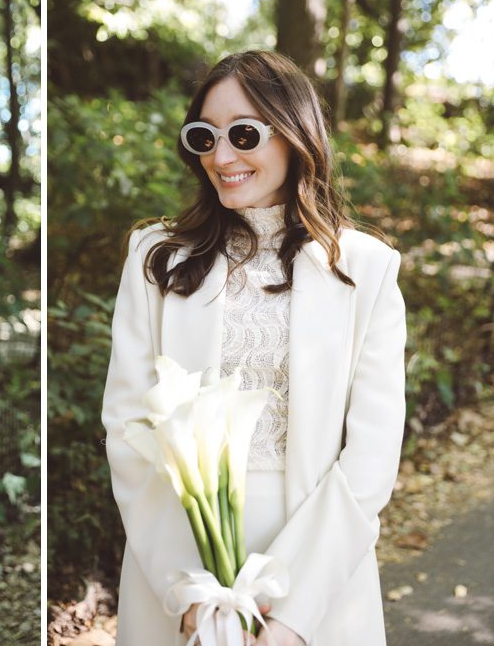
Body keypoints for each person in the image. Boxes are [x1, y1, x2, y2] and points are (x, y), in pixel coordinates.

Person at [102, 50, 406, 646]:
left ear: (295, 135)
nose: (220, 157)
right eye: (203, 137)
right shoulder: (156, 259)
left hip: (321, 574)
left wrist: (292, 616)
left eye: (244, 134)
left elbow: (370, 458)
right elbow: (129, 429)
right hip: (179, 568)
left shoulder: (368, 270)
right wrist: (189, 595)